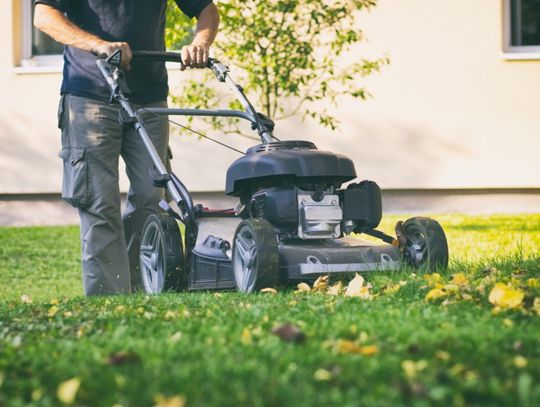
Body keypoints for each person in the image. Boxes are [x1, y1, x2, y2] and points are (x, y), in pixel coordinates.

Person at [33, 0, 219, 295]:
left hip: (149, 99)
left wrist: (199, 42)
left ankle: (140, 291)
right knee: (99, 203)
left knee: (151, 199)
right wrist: (98, 45)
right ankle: (108, 299)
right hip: (90, 96)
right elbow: (44, 16)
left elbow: (206, 10)